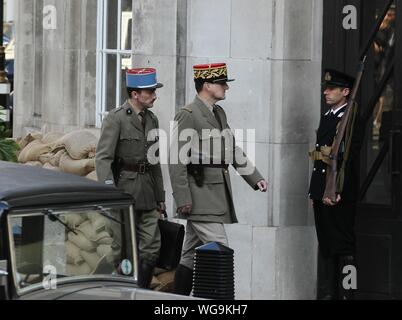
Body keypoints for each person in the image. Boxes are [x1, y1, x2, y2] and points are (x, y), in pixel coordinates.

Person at [169, 63, 268, 295]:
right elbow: (176, 160)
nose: (226, 87)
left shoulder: (218, 113)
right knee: (219, 250)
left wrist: (254, 177)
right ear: (207, 85)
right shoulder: (188, 115)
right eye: (222, 83)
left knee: (190, 255)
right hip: (199, 195)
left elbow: (232, 149)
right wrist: (182, 197)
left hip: (214, 194)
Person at [95, 68, 166, 288]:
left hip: (147, 193)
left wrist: (160, 196)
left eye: (154, 90)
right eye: (150, 91)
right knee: (121, 249)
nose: (154, 95)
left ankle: (140, 292)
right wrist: (110, 192)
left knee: (151, 247)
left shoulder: (152, 119)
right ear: (135, 94)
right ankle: (109, 287)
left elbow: (154, 161)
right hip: (123, 191)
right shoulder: (116, 119)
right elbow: (103, 158)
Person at [309, 69, 365, 300]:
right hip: (322, 191)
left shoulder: (351, 119)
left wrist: (338, 190)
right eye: (326, 88)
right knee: (327, 245)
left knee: (344, 246)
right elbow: (321, 159)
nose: (326, 91)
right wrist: (315, 192)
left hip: (339, 192)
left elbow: (349, 159)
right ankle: (327, 294)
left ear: (345, 92)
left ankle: (347, 293)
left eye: (331, 89)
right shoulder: (329, 115)